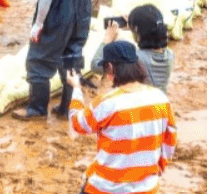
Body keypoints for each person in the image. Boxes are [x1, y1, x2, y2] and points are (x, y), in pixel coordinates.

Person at [66, 41, 177, 194]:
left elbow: (77, 124)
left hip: (104, 188)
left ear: (110, 68)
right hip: (146, 189)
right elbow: (169, 144)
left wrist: (77, 89)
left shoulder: (107, 103)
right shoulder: (161, 99)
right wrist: (156, 170)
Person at [91, 4, 173, 93]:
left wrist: (107, 39)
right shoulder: (169, 55)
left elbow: (95, 65)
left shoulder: (134, 60)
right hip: (160, 103)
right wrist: (135, 29)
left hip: (139, 105)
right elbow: (151, 40)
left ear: (137, 32)